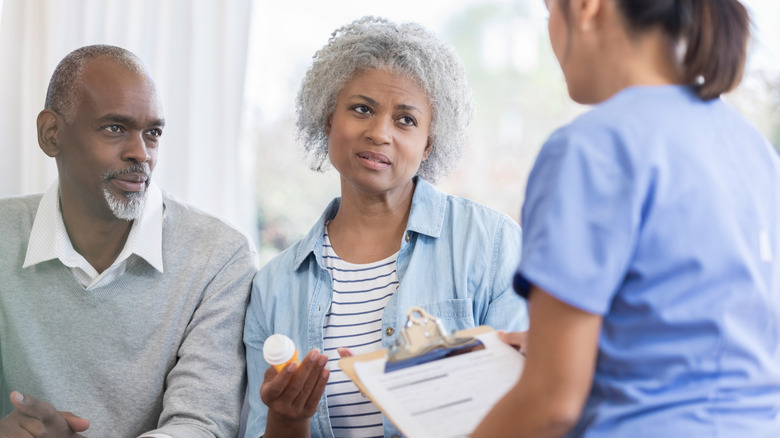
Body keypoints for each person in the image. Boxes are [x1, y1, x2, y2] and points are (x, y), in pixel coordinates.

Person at [473, 0, 780, 437]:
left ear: (585, 8)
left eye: (548, 12)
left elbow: (552, 402)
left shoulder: (590, 148)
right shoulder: (753, 149)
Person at [243, 16, 528, 438]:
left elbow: (525, 411)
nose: (379, 133)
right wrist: (287, 419)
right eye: (362, 109)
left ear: (429, 142)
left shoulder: (491, 244)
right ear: (328, 119)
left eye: (406, 120)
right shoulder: (273, 287)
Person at [0, 45, 257, 437]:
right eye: (115, 128)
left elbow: (201, 426)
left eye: (152, 133)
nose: (141, 153)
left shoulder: (219, 256)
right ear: (51, 135)